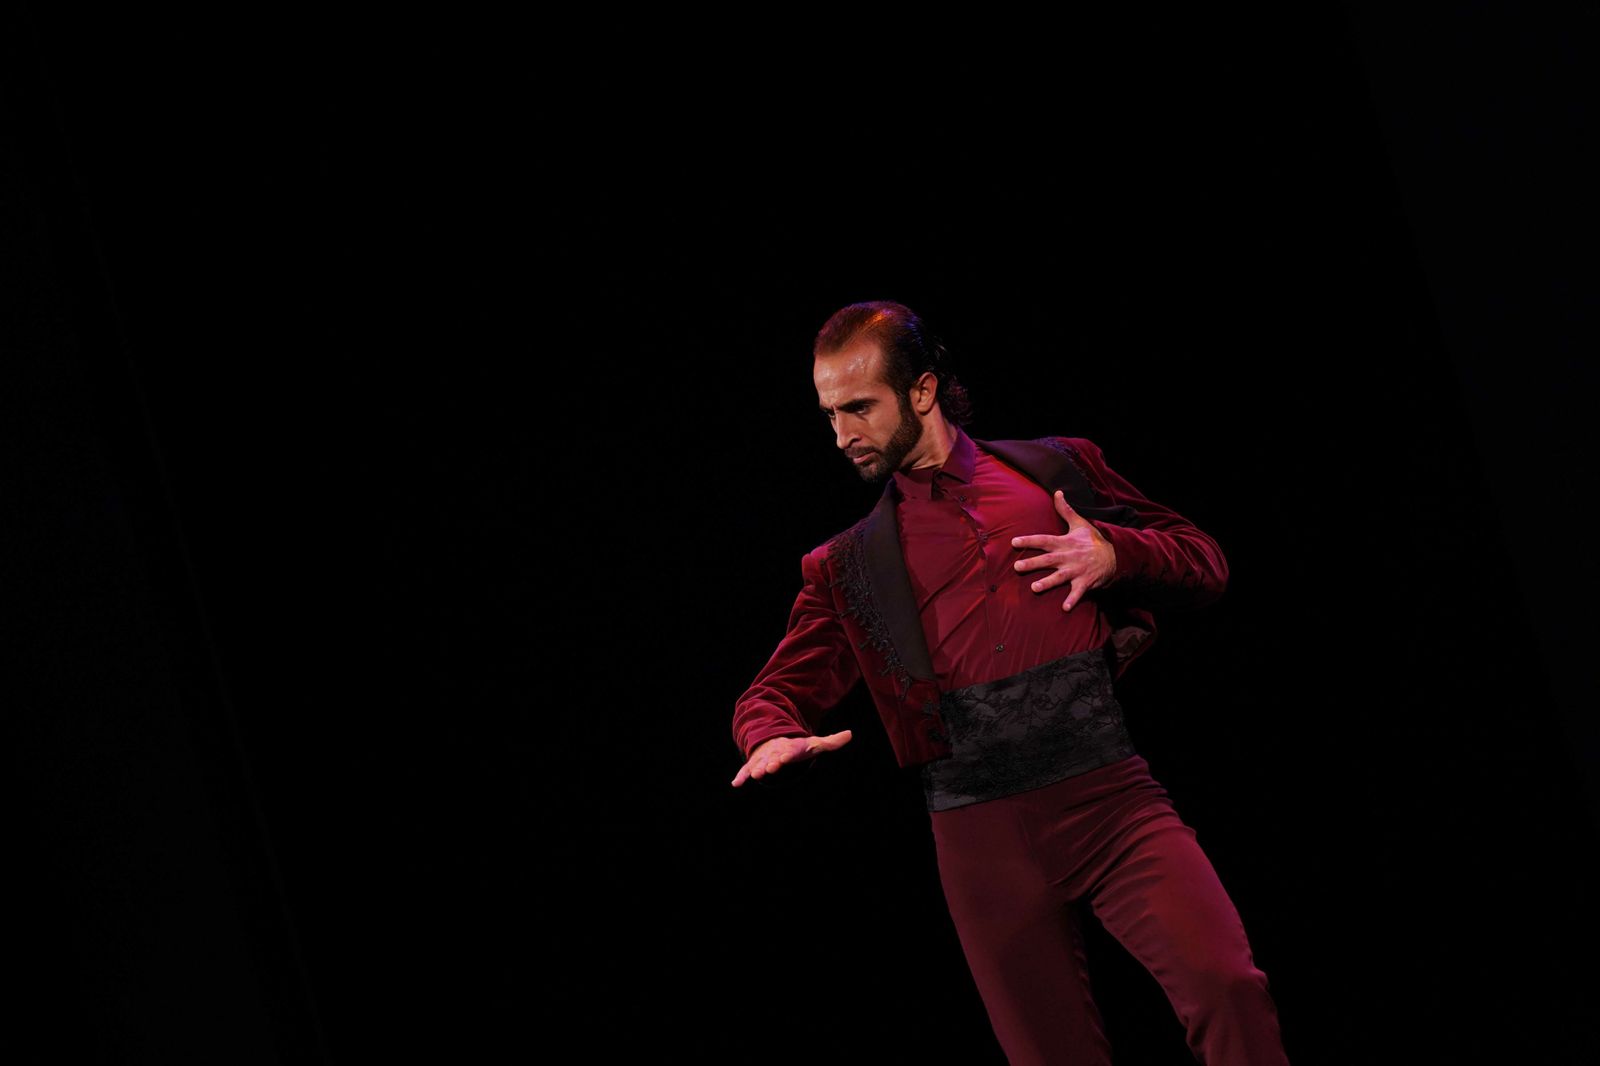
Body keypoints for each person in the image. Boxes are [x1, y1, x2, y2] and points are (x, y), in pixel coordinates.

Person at [729, 300, 1291, 1065]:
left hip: (1110, 801)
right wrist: (771, 735)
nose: (841, 434)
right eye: (829, 413)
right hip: (980, 840)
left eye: (859, 408)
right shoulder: (849, 565)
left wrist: (1117, 556)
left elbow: (1203, 560)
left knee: (1227, 986)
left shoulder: (1053, 471)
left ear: (922, 391)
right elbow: (770, 694)